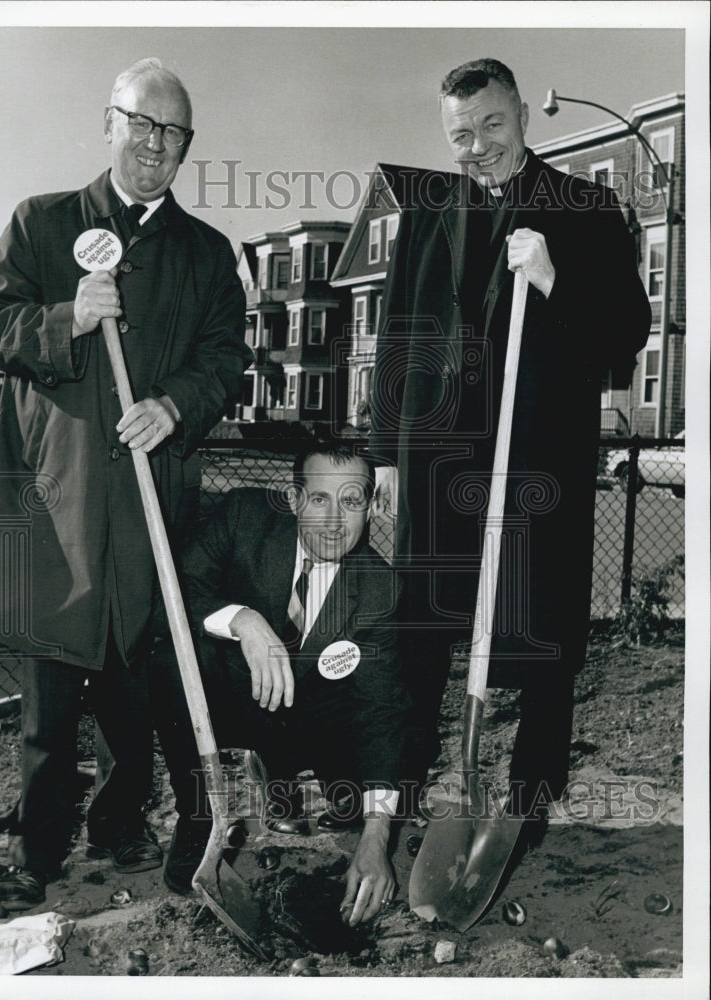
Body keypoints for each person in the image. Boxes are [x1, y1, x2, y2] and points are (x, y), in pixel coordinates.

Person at [0, 58, 252, 909]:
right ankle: (41, 855)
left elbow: (226, 359)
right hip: (55, 503)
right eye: (143, 125)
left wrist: (176, 405)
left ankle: (120, 825)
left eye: (174, 135)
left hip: (148, 511)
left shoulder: (207, 254)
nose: (156, 147)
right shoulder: (43, 224)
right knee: (49, 711)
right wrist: (66, 318)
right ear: (111, 123)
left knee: (135, 701)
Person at [370, 59, 651, 823]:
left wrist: (558, 279)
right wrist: (384, 458)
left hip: (536, 462)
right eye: (461, 133)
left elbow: (628, 329)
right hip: (437, 462)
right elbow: (397, 339)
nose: (478, 145)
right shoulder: (427, 212)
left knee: (544, 635)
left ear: (524, 115)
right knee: (422, 631)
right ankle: (399, 791)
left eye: (492, 125)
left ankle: (529, 802)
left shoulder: (586, 207)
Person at [149, 441, 412, 925]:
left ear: (370, 506)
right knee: (171, 659)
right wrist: (243, 620)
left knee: (370, 784)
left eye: (351, 502)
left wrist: (377, 839)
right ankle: (198, 816)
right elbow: (179, 586)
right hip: (234, 695)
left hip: (310, 717)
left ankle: (292, 770)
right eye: (320, 500)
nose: (334, 521)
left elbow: (382, 712)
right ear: (294, 499)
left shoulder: (380, 588)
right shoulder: (244, 517)